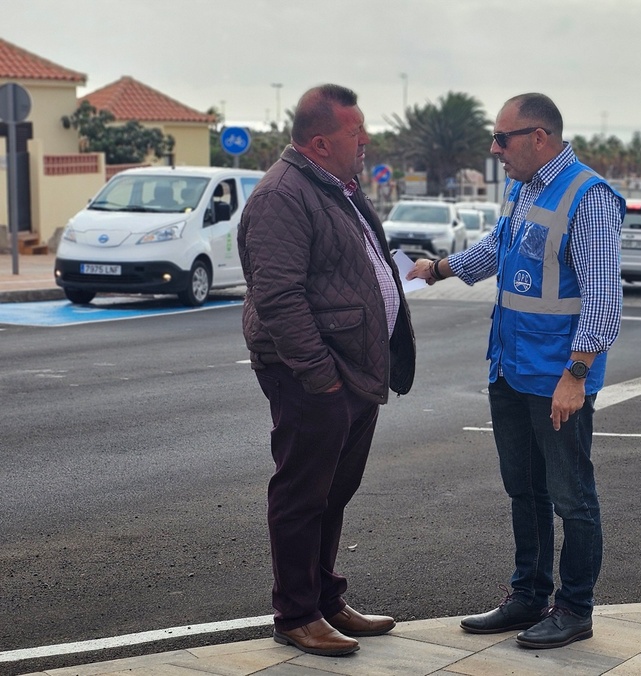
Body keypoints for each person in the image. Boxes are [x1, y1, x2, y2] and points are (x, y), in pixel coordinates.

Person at [407, 92, 624, 649]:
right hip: (509, 368)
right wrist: (438, 269)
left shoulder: (589, 197)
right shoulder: (522, 189)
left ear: (539, 138)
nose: (494, 147)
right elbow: (500, 251)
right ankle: (527, 596)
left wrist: (576, 375)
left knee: (571, 495)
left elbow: (603, 300)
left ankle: (574, 609)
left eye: (503, 138)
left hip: (556, 378)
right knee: (523, 491)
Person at [238, 84, 416, 657]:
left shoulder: (336, 187)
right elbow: (278, 296)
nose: (365, 139)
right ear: (320, 142)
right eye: (355, 131)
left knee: (333, 491)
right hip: (314, 373)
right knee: (302, 492)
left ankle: (324, 599)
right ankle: (296, 613)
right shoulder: (282, 196)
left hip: (353, 370)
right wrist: (321, 376)